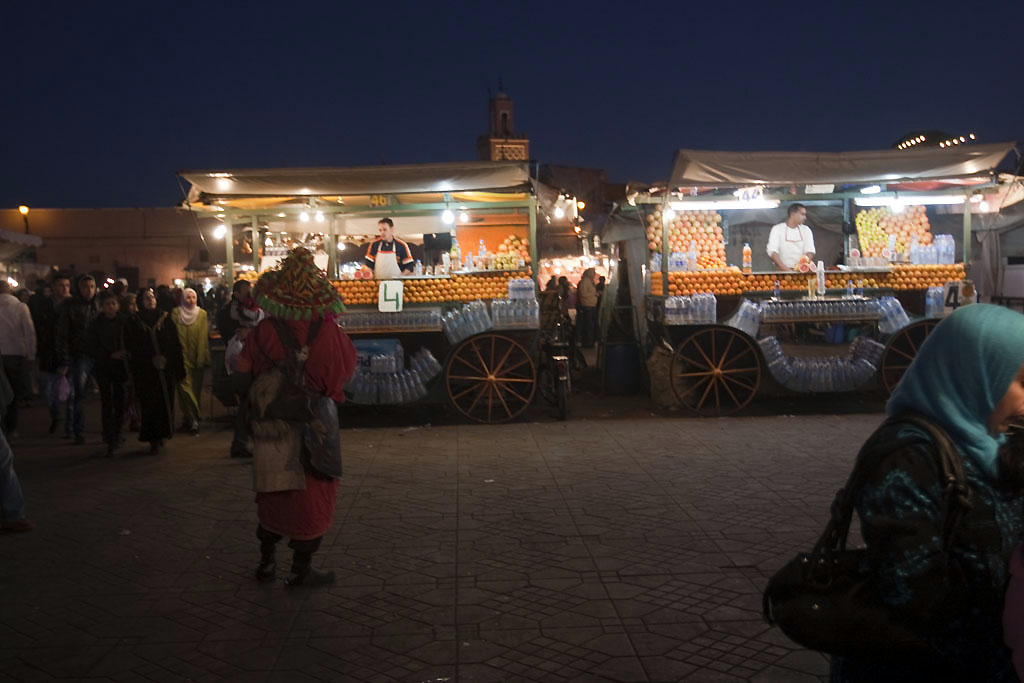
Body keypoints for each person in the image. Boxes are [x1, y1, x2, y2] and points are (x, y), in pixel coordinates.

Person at [829, 304, 1024, 683]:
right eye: (1019, 381)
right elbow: (910, 592)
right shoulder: (908, 456)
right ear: (975, 373)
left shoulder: (993, 444)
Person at [236, 247, 356, 587]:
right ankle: (301, 569)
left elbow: (242, 371)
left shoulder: (263, 331)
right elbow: (341, 373)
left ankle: (266, 563)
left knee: (272, 489)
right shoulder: (330, 333)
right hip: (315, 423)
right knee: (312, 493)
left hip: (272, 422)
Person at [125, 288, 185, 454]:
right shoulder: (134, 322)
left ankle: (163, 433)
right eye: (146, 297)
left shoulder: (165, 319)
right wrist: (148, 360)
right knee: (149, 404)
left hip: (165, 370)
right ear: (140, 301)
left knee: (164, 402)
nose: (150, 300)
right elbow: (133, 346)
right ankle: (153, 437)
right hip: (145, 371)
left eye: (152, 297)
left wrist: (172, 363)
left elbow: (174, 344)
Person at [55, 274, 98, 444]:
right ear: (79, 289)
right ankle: (75, 429)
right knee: (77, 394)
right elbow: (62, 335)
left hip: (95, 354)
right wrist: (64, 359)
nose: (89, 290)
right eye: (86, 287)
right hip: (78, 355)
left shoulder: (98, 304)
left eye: (92, 287)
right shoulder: (70, 306)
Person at [85, 291, 128, 456]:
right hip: (104, 367)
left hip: (121, 368)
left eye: (113, 304)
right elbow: (90, 346)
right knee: (106, 401)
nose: (110, 307)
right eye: (107, 304)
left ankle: (118, 432)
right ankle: (109, 435)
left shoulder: (124, 322)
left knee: (120, 401)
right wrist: (109, 355)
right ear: (102, 307)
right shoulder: (96, 324)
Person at [31, 275, 71, 434]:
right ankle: (56, 415)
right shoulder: (44, 304)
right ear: (53, 287)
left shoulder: (72, 305)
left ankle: (70, 424)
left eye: (67, 285)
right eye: (61, 285)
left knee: (69, 391)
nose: (64, 288)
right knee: (47, 390)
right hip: (48, 352)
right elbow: (38, 326)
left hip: (68, 352)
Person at [171, 287, 210, 435]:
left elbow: (203, 336)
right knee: (184, 388)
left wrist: (201, 357)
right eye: (188, 297)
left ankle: (188, 417)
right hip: (181, 357)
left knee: (196, 390)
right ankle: (194, 418)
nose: (191, 300)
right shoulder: (176, 313)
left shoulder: (201, 314)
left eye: (193, 297)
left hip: (197, 357)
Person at [0, 282, 36, 437]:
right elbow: (29, 332)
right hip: (16, 353)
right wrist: (31, 355)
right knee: (13, 393)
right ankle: (11, 427)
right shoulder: (20, 307)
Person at [225, 324, 255, 459]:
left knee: (245, 412)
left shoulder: (239, 344)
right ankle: (240, 444)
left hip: (243, 381)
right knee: (244, 412)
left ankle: (241, 443)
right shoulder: (236, 346)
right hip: (244, 381)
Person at [767, 203, 815, 271]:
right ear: (793, 214)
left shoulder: (806, 230)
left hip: (801, 272)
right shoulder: (777, 229)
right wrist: (786, 270)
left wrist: (800, 268)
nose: (805, 218)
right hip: (781, 271)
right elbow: (772, 252)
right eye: (802, 214)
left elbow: (810, 251)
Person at [576, 268, 598, 348]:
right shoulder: (585, 282)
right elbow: (583, 294)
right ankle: (587, 342)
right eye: (593, 273)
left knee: (590, 324)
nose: (594, 275)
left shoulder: (590, 282)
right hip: (587, 306)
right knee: (588, 324)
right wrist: (594, 294)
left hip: (591, 306)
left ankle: (590, 341)